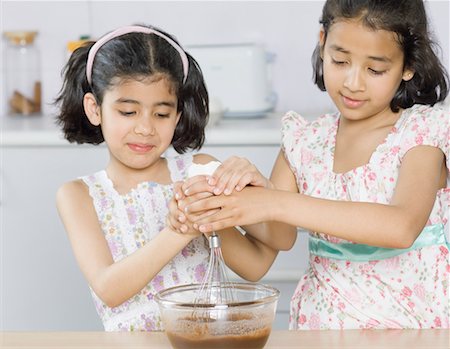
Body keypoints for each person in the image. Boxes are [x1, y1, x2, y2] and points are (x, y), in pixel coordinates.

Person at [171, 0, 450, 330]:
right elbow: (260, 257)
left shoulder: (421, 133)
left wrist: (273, 201)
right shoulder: (304, 141)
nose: (353, 82)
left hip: (414, 330)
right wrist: (216, 208)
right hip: (322, 328)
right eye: (340, 60)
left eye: (375, 69)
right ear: (322, 42)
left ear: (408, 66)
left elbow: (401, 227)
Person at [54, 24, 277, 332]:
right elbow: (110, 289)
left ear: (178, 115)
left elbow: (258, 264)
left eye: (160, 114)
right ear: (95, 108)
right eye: (128, 112)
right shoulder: (79, 195)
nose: (145, 128)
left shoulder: (200, 172)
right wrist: (181, 229)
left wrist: (262, 188)